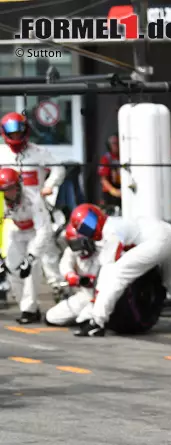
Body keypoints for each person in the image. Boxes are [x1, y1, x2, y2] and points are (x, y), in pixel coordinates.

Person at [69, 203, 171, 337]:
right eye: (85, 228)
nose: (91, 229)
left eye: (90, 224)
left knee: (116, 275)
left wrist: (93, 305)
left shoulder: (110, 231)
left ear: (97, 215)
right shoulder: (116, 222)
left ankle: (97, 322)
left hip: (157, 241)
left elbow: (107, 272)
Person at [0, 112, 64, 290]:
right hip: (11, 212)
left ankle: (59, 286)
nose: (15, 137)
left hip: (37, 207)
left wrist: (50, 184)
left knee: (48, 252)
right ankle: (9, 285)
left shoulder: (39, 152)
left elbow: (59, 169)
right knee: (10, 251)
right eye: (11, 133)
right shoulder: (2, 153)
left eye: (18, 132)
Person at [0, 167, 55, 324]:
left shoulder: (33, 198)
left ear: (18, 186)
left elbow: (44, 229)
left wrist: (31, 256)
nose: (9, 193)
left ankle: (29, 310)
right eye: (4, 190)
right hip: (16, 230)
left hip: (34, 233)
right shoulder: (0, 201)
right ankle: (26, 306)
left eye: (11, 188)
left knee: (31, 268)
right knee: (11, 268)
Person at [45, 223, 101, 327]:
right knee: (51, 317)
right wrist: (71, 276)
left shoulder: (102, 249)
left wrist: (94, 280)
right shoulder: (72, 251)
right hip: (86, 295)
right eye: (74, 244)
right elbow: (65, 264)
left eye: (80, 243)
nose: (78, 248)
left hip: (103, 295)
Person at [97, 134, 122, 214]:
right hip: (110, 193)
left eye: (118, 143)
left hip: (121, 189)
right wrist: (114, 191)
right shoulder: (106, 158)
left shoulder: (123, 157)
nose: (117, 146)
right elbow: (103, 180)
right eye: (114, 143)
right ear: (109, 145)